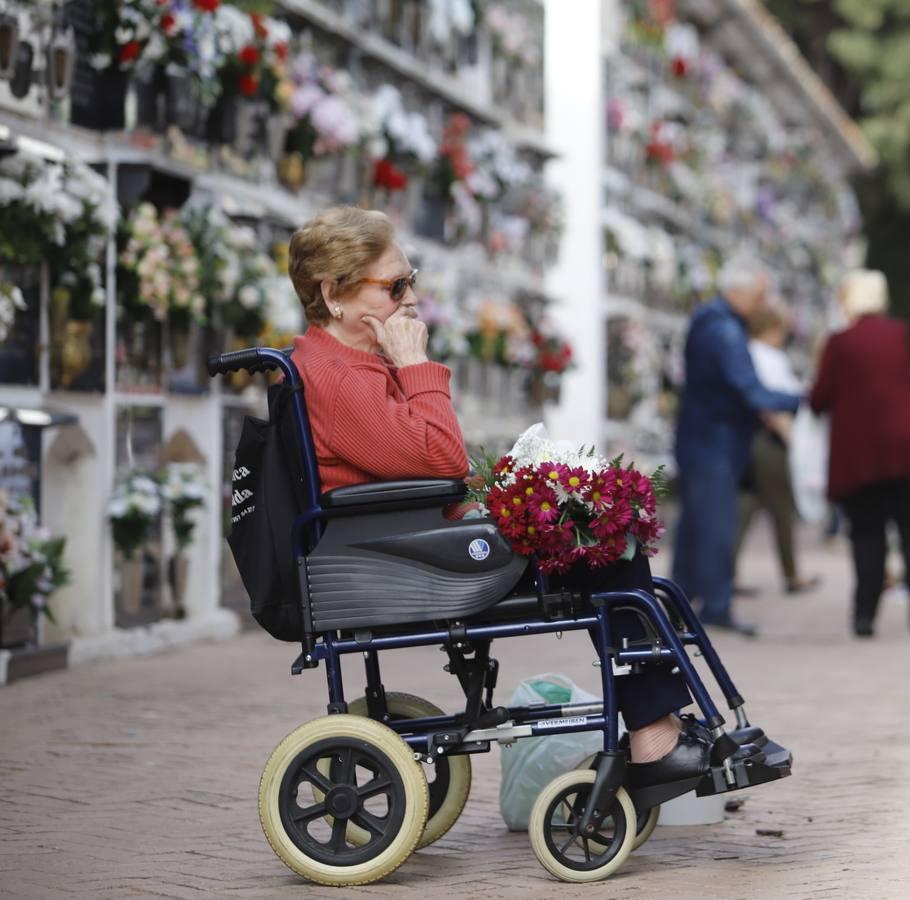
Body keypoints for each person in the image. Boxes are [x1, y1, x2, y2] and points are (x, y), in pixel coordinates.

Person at [287, 207, 713, 791]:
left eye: (411, 280)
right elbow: (442, 459)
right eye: (395, 286)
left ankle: (656, 726)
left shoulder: (347, 364)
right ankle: (653, 736)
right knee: (606, 551)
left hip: (409, 540)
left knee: (602, 535)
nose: (412, 299)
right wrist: (415, 365)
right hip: (405, 558)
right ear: (333, 294)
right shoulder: (340, 379)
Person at [808, 270, 910, 637]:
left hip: (860, 456)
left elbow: (819, 397)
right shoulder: (898, 333)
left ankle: (864, 615)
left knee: (866, 534)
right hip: (907, 450)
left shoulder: (840, 342)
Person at [672, 255, 800, 637]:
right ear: (739, 291)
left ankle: (679, 606)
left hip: (703, 440)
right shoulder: (724, 329)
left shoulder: (711, 321)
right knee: (715, 529)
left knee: (696, 528)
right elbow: (749, 388)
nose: (764, 306)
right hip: (715, 443)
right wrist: (800, 399)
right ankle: (715, 605)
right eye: (760, 296)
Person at [733, 302, 820, 595]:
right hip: (770, 439)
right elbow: (770, 404)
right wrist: (793, 441)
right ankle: (791, 573)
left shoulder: (750, 352)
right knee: (781, 507)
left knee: (746, 507)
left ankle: (726, 573)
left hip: (754, 438)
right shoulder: (767, 356)